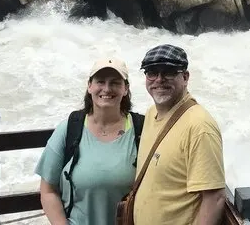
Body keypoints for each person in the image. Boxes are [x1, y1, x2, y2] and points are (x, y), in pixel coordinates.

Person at [35, 57, 144, 225]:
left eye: (115, 83)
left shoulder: (141, 130)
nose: (107, 88)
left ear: (125, 89)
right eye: (100, 81)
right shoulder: (70, 129)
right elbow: (48, 190)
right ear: (89, 86)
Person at [132, 44, 226, 225]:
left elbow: (214, 198)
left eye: (168, 72)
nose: (159, 79)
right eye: (152, 72)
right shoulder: (152, 113)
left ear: (185, 77)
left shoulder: (199, 127)